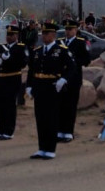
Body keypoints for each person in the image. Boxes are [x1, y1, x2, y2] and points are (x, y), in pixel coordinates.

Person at [25, 22, 76, 160]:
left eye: (46, 34)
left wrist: (63, 79)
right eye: (43, 33)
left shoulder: (61, 50)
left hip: (52, 87)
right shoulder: (37, 51)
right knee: (40, 118)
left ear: (53, 35)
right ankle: (42, 148)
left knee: (51, 118)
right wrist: (29, 86)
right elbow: (32, 70)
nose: (43, 36)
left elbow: (72, 68)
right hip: (39, 87)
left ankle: (50, 149)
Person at [0, 24, 29, 141]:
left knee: (9, 105)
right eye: (8, 34)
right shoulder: (0, 47)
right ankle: (1, 129)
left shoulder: (21, 47)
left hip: (12, 79)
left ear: (17, 35)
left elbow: (23, 63)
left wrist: (10, 59)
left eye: (11, 35)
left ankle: (9, 131)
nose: (9, 37)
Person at [58, 19, 92, 143]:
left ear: (76, 30)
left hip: (73, 78)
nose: (67, 32)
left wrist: (73, 61)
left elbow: (87, 60)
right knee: (60, 105)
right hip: (61, 78)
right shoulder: (60, 42)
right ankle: (60, 131)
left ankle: (68, 132)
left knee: (70, 106)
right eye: (66, 29)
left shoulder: (80, 43)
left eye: (70, 29)